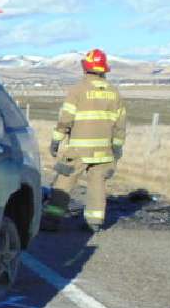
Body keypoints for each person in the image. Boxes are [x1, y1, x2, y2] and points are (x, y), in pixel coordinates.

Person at [43, 48, 127, 232]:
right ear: (104, 69)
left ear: (85, 68)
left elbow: (66, 119)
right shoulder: (114, 92)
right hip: (104, 150)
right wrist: (117, 147)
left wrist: (56, 140)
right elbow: (120, 124)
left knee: (63, 183)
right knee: (97, 183)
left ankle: (51, 221)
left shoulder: (78, 90)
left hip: (79, 150)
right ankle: (94, 222)